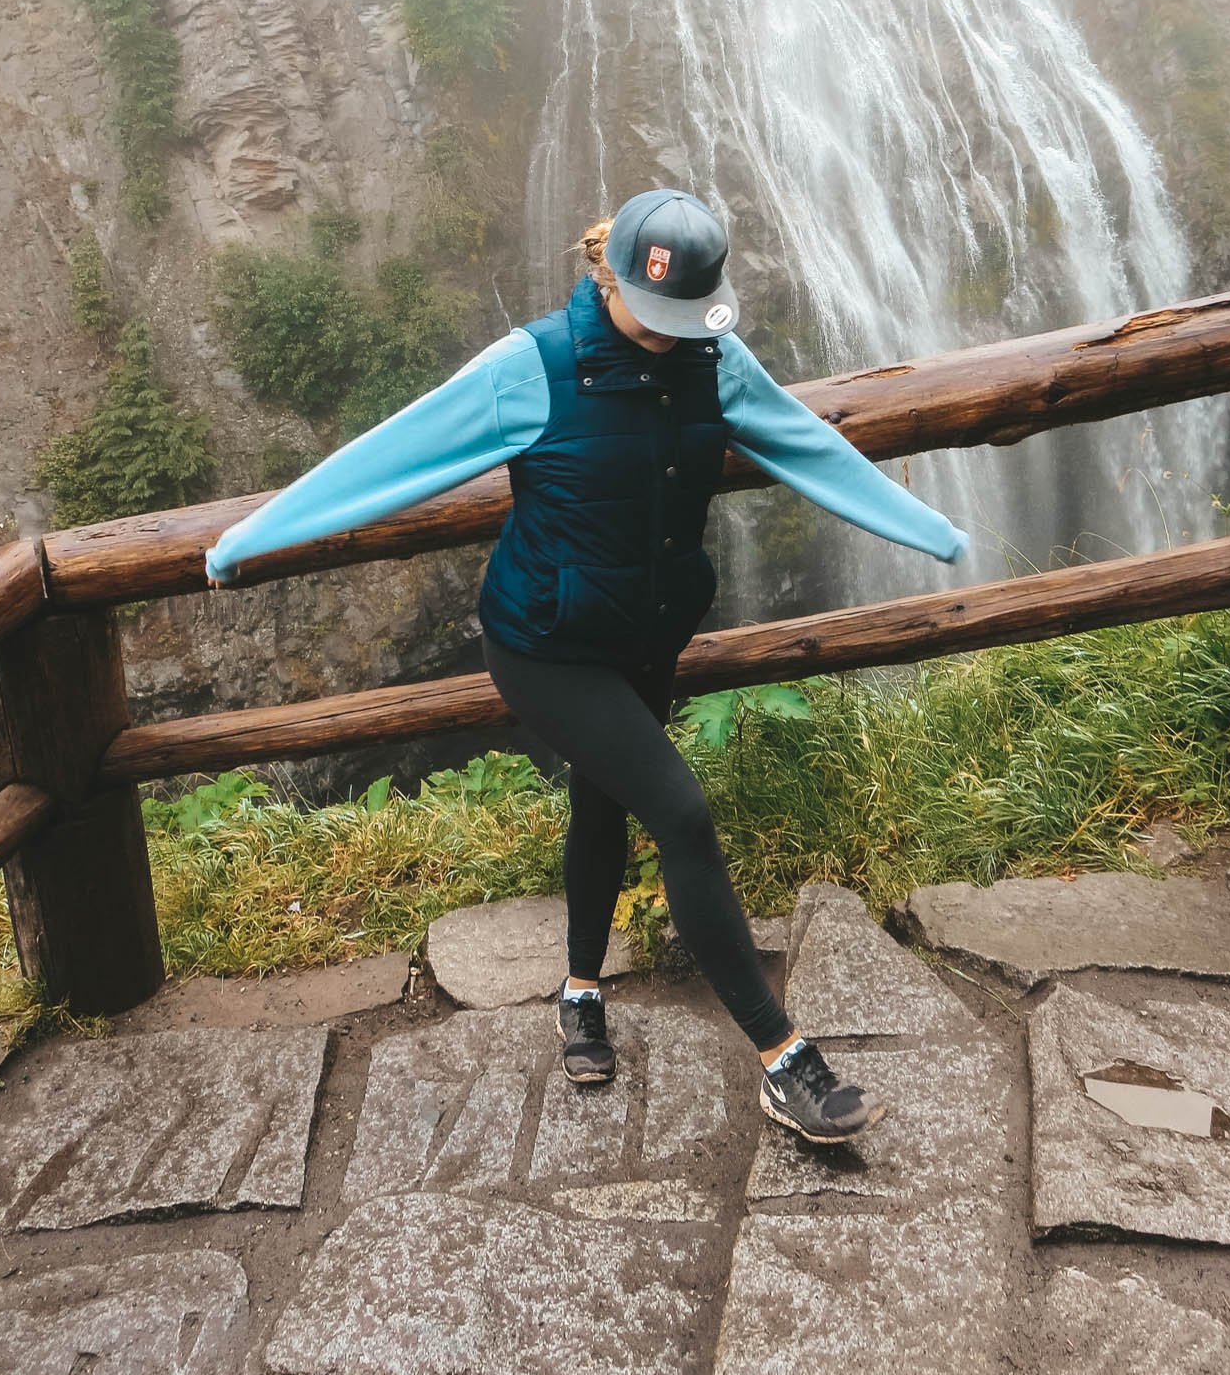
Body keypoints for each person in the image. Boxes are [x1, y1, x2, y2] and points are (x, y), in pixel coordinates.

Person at [205, 188, 969, 1143]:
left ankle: (579, 993)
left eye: (683, 320)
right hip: (545, 646)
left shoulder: (713, 360)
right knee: (681, 812)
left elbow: (805, 444)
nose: (669, 337)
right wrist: (250, 538)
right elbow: (394, 453)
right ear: (606, 277)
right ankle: (784, 1059)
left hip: (645, 636)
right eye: (655, 317)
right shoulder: (536, 367)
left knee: (604, 803)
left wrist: (928, 531)